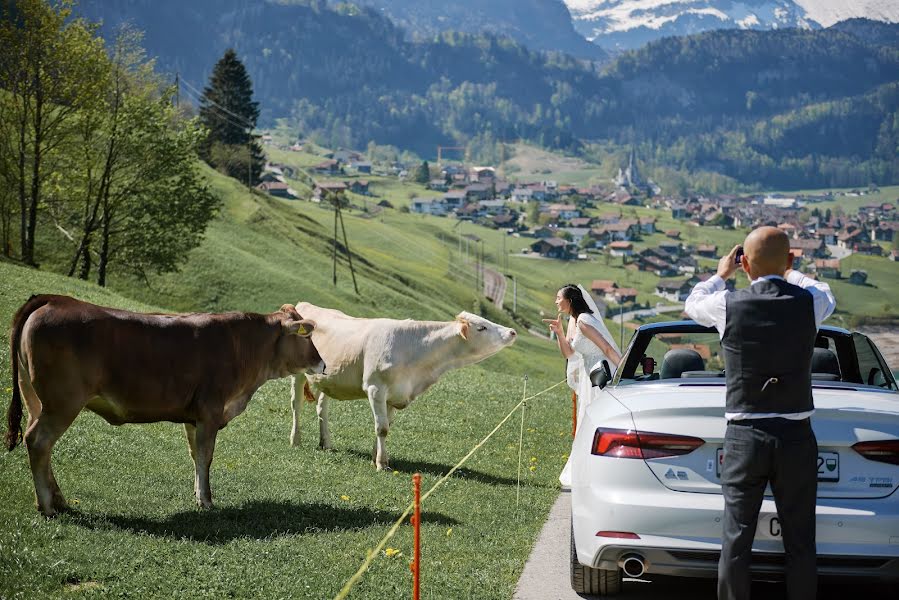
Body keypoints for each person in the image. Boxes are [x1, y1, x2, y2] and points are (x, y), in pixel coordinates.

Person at [684, 227, 836, 600]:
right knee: (800, 541)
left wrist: (722, 275)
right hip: (796, 434)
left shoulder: (727, 303)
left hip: (744, 435)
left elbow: (693, 303)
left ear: (745, 264)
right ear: (789, 261)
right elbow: (825, 291)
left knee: (736, 538)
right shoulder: (809, 302)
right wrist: (790, 271)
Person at [543, 284, 622, 488]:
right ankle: (588, 469)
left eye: (558, 297)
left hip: (600, 375)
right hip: (590, 377)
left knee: (597, 421)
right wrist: (559, 333)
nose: (556, 301)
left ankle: (601, 471)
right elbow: (569, 354)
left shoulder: (585, 321)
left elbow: (605, 347)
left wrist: (622, 371)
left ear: (570, 301)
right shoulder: (574, 320)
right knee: (587, 421)